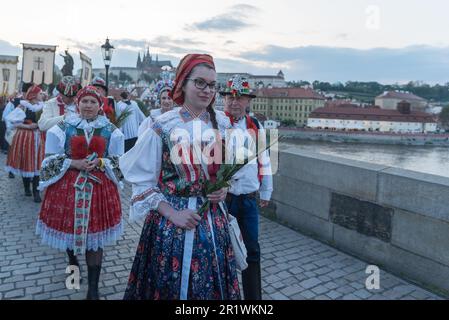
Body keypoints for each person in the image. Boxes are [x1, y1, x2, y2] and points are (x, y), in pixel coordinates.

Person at [120, 54, 241, 300]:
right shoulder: (163, 125)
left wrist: (223, 189)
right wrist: (172, 213)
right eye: (200, 83)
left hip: (212, 222)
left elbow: (227, 173)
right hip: (171, 223)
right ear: (182, 84)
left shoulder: (223, 126)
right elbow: (142, 180)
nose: (207, 90)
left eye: (212, 85)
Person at [36, 86, 125, 300]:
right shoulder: (63, 127)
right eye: (84, 101)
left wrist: (102, 161)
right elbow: (49, 159)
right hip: (68, 187)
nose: (88, 105)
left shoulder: (111, 130)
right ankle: (73, 264)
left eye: (93, 102)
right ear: (78, 103)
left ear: (100, 105)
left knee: (95, 240)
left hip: (99, 189)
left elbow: (121, 162)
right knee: (69, 232)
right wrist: (73, 162)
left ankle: (93, 290)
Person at [221, 75, 273, 300]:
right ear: (225, 100)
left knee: (252, 250)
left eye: (240, 98)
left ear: (247, 101)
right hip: (226, 198)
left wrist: (267, 190)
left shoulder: (256, 125)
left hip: (250, 198)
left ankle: (254, 301)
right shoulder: (217, 123)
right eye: (231, 98)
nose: (235, 102)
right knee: (224, 252)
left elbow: (265, 158)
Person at [5, 84, 45, 202]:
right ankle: (27, 187)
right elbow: (12, 122)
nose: (41, 95)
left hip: (39, 137)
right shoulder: (23, 106)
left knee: (38, 163)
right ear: (33, 95)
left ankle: (36, 192)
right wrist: (27, 126)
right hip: (25, 136)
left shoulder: (43, 107)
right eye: (39, 93)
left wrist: (39, 125)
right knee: (26, 160)